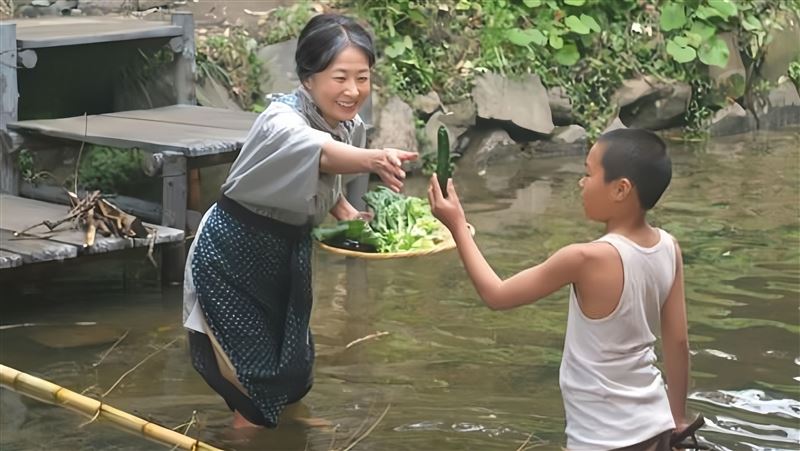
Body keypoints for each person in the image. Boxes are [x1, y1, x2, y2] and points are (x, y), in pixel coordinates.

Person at [182, 13, 417, 429]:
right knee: (251, 377)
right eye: (340, 77)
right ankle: (252, 434)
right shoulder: (281, 121)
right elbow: (318, 153)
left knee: (291, 359)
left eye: (362, 78)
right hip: (232, 256)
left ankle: (288, 426)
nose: (353, 91)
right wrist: (376, 159)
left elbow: (322, 179)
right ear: (308, 77)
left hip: (285, 250)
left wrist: (344, 210)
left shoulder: (347, 123)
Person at [428, 128, 692, 450]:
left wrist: (457, 226)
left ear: (621, 189)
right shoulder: (669, 247)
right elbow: (678, 342)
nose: (581, 183)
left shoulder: (584, 259)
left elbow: (496, 294)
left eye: (588, 173)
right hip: (655, 426)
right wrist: (677, 417)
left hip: (602, 439)